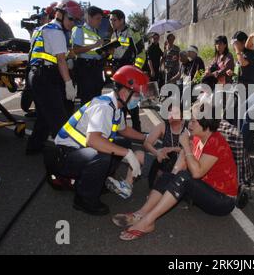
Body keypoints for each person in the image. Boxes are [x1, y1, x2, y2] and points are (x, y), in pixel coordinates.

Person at [111, 102, 237, 240]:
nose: (189, 125)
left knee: (184, 177)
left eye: (193, 121)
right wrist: (166, 184)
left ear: (206, 123)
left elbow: (196, 173)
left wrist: (186, 147)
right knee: (170, 175)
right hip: (205, 190)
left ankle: (147, 222)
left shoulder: (216, 142)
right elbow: (178, 167)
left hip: (223, 201)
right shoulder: (196, 137)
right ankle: (140, 214)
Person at [52, 65, 149, 215]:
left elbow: (123, 130)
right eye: (137, 95)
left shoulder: (116, 107)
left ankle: (98, 180)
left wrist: (145, 137)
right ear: (124, 91)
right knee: (103, 156)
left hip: (78, 150)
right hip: (64, 155)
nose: (138, 99)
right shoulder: (103, 107)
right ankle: (84, 199)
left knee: (122, 143)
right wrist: (128, 154)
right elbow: (93, 141)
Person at [26, 0, 83, 155]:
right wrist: (68, 83)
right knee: (59, 117)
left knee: (44, 116)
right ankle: (68, 155)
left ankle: (34, 147)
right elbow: (60, 59)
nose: (73, 23)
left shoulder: (42, 28)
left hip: (37, 75)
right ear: (59, 14)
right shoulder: (55, 31)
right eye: (71, 19)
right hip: (46, 76)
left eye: (76, 20)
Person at [109, 9, 141, 132]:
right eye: (110, 20)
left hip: (129, 71)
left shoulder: (133, 33)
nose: (112, 22)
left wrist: (135, 70)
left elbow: (141, 53)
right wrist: (109, 54)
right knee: (119, 101)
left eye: (114, 20)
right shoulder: (114, 34)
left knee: (131, 102)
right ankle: (121, 129)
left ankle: (137, 129)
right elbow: (115, 54)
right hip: (117, 71)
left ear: (122, 20)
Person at [143, 102, 186, 188]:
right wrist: (156, 152)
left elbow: (191, 151)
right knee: (137, 155)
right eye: (169, 112)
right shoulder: (163, 126)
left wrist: (173, 149)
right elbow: (147, 143)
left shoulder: (188, 128)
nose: (170, 115)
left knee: (176, 158)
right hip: (164, 160)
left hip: (182, 164)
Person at [71, 6, 105, 105]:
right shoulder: (79, 30)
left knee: (96, 98)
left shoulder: (96, 32)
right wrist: (95, 45)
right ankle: (85, 120)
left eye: (101, 19)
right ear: (89, 17)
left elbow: (94, 51)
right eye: (97, 19)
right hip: (85, 68)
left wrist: (104, 52)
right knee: (87, 100)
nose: (100, 22)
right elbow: (75, 50)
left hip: (96, 67)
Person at [227, 31, 254, 95]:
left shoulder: (251, 53)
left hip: (249, 89)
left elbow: (243, 63)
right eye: (233, 44)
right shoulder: (241, 54)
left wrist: (237, 50)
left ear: (244, 42)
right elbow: (239, 74)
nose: (234, 46)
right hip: (239, 87)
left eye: (236, 43)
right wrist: (233, 73)